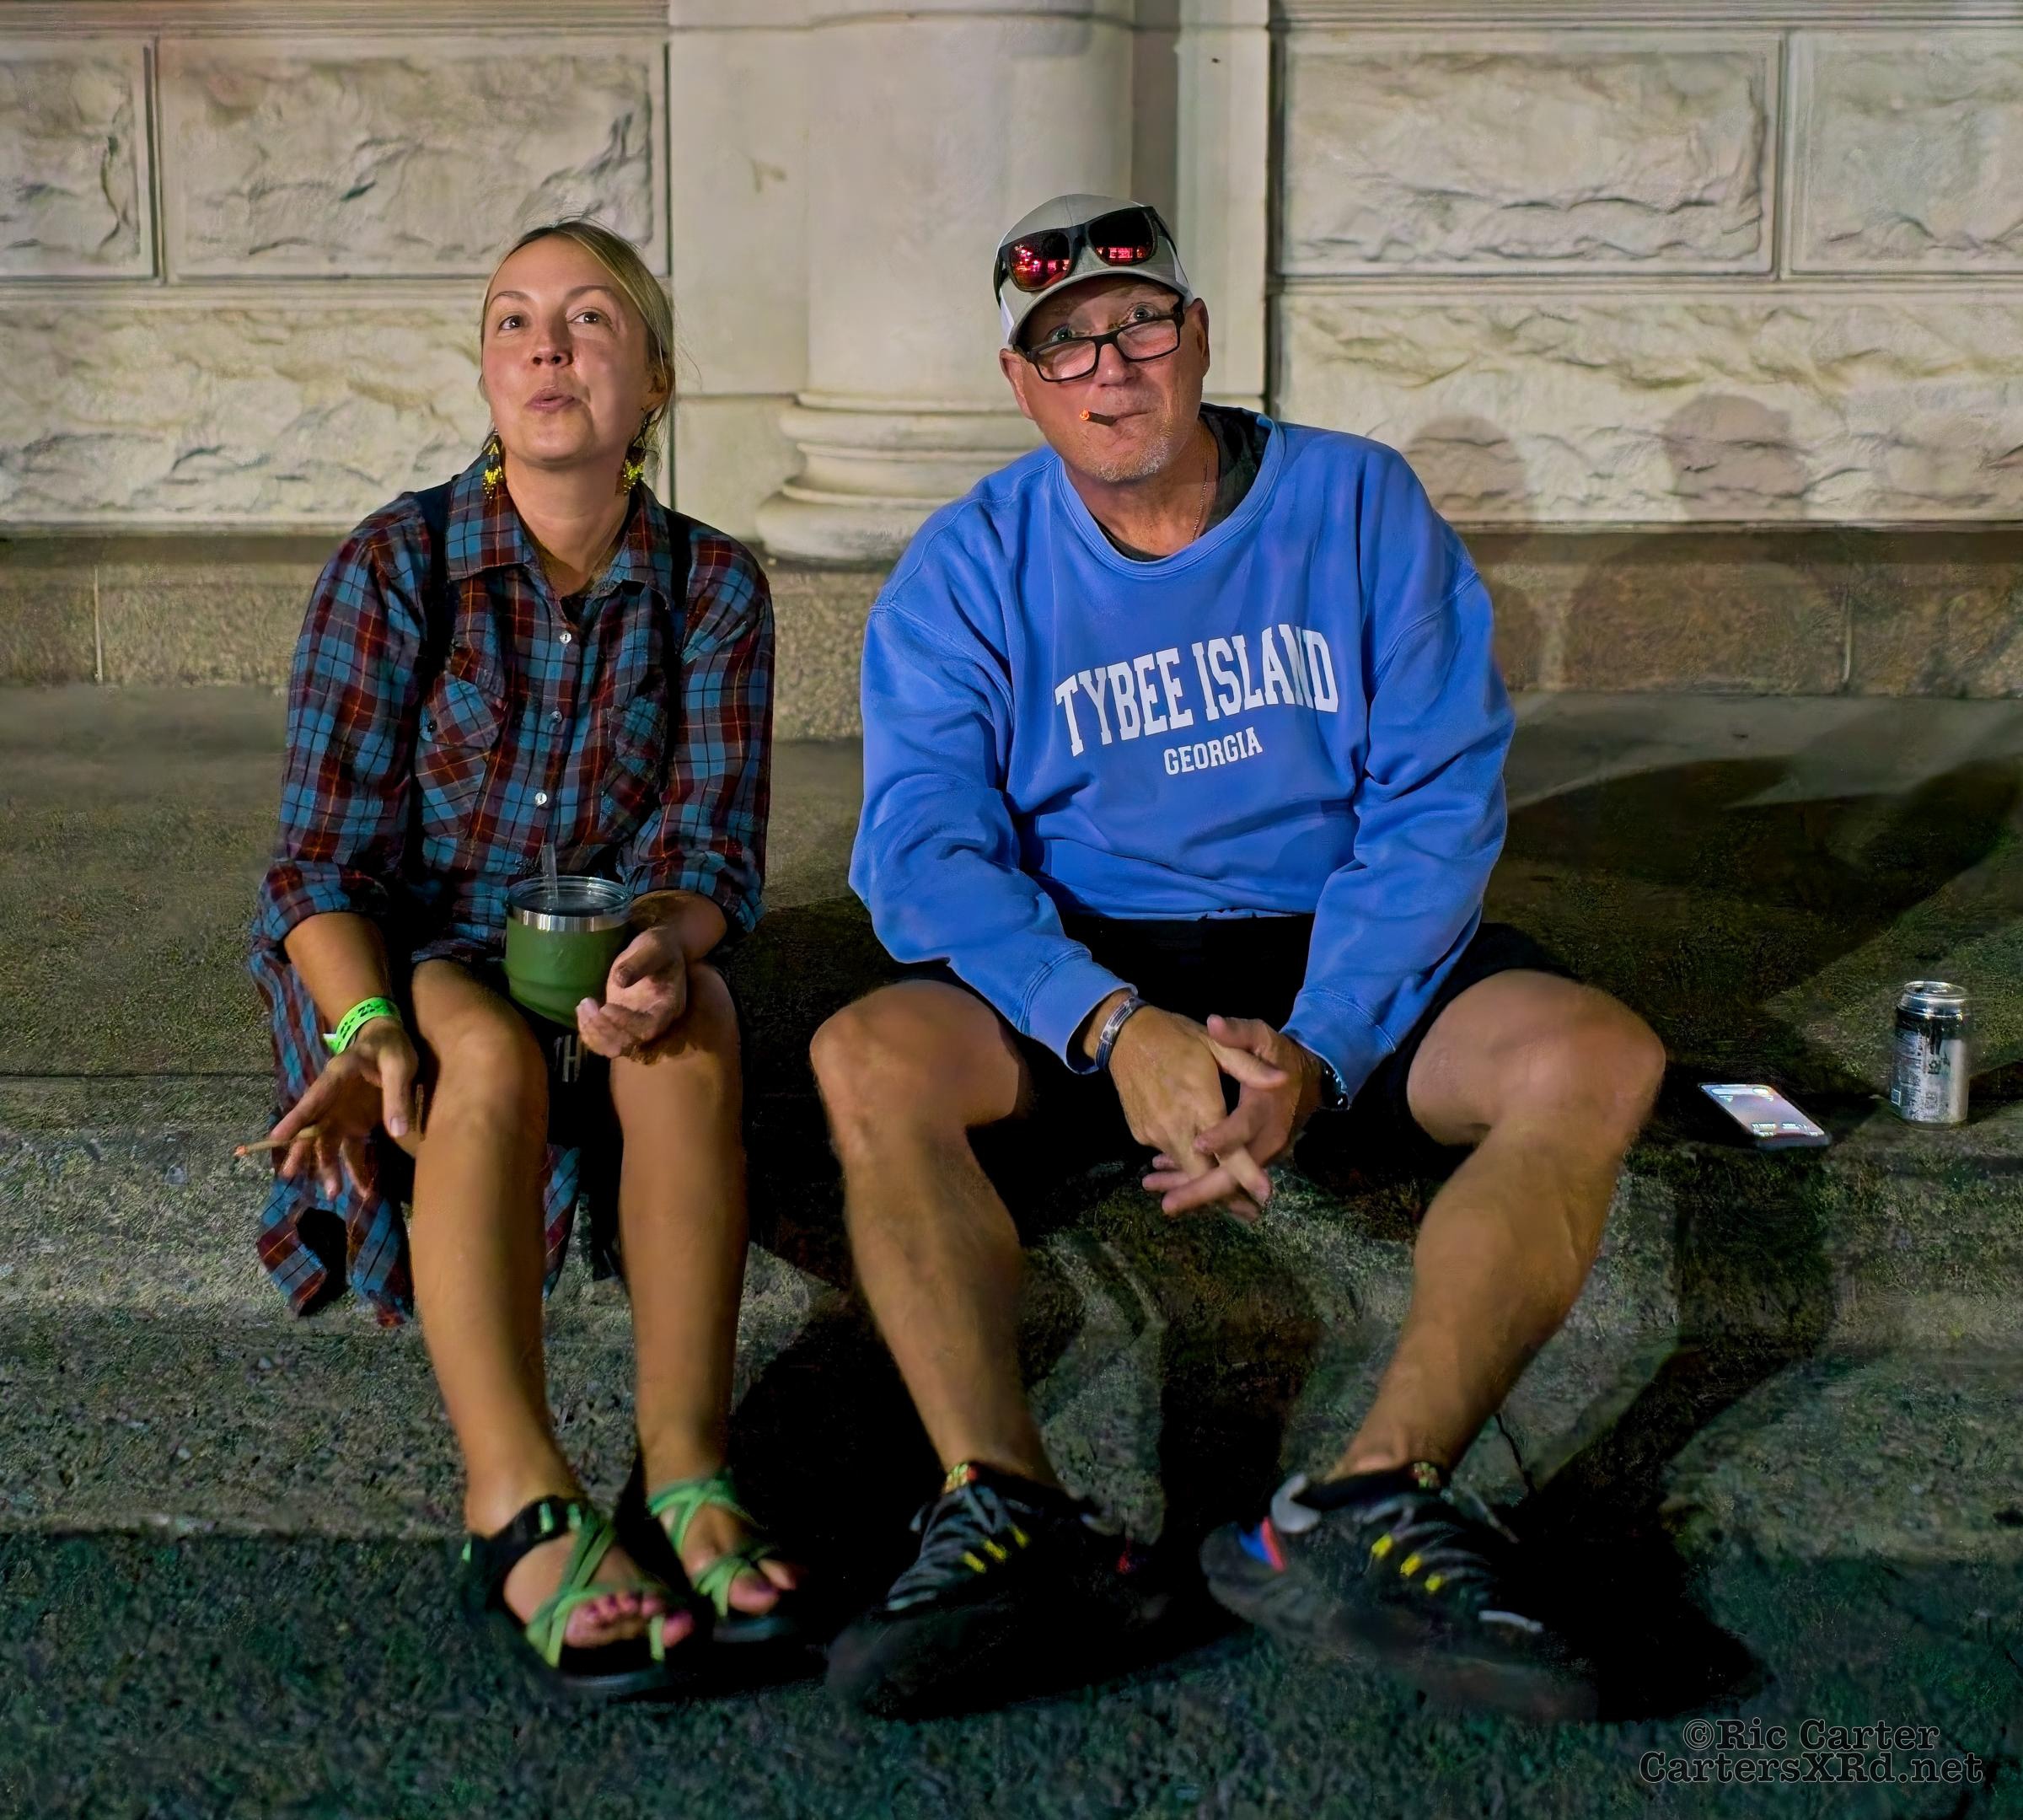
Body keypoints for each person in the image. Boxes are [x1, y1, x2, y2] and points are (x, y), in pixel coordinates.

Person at [809, 195, 1666, 1721]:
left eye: (1139, 323)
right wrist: (1105, 1020)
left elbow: (1436, 802)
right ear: (1020, 385)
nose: (1110, 367)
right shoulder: (968, 564)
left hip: (1332, 939)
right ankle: (1002, 1510)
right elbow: (921, 846)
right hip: (1091, 965)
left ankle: (1373, 1504)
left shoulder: (1357, 503)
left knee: (1597, 1053)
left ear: (1199, 336)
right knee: (863, 1055)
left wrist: (1326, 1044)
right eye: (1064, 346)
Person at [249, 217, 802, 1698]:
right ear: (489, 374)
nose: (548, 347)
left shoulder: (712, 587)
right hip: (404, 948)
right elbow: (317, 867)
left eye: (590, 319)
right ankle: (516, 1496)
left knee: (695, 1028)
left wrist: (665, 947)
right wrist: (365, 1029)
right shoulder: (398, 564)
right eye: (513, 321)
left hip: (598, 944)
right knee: (481, 1059)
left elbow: (708, 855)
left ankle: (684, 1470)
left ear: (656, 381)